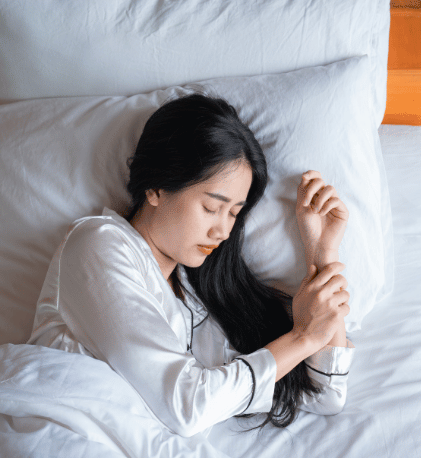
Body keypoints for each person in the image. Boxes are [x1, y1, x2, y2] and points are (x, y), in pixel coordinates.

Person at [28, 93, 354, 437]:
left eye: (234, 213)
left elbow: (325, 396)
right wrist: (302, 337)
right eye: (212, 207)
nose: (223, 231)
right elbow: (185, 405)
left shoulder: (199, 295)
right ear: (156, 187)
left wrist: (321, 254)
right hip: (57, 442)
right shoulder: (96, 245)